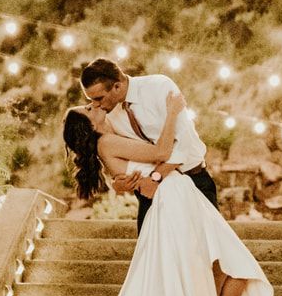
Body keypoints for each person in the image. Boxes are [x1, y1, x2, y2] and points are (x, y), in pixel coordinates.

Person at [51, 93, 273, 296]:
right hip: (173, 201)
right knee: (224, 264)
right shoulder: (107, 143)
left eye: (92, 102)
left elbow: (152, 162)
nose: (95, 106)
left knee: (228, 264)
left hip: (180, 196)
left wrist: (156, 169)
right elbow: (162, 151)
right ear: (90, 127)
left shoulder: (112, 137)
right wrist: (172, 113)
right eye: (88, 109)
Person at [79, 58, 217, 235]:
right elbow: (112, 153)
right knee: (151, 254)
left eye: (98, 98)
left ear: (117, 87)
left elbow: (184, 143)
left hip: (193, 180)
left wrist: (156, 178)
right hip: (149, 194)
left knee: (212, 252)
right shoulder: (107, 113)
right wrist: (116, 182)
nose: (95, 104)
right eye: (91, 100)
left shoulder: (159, 87)